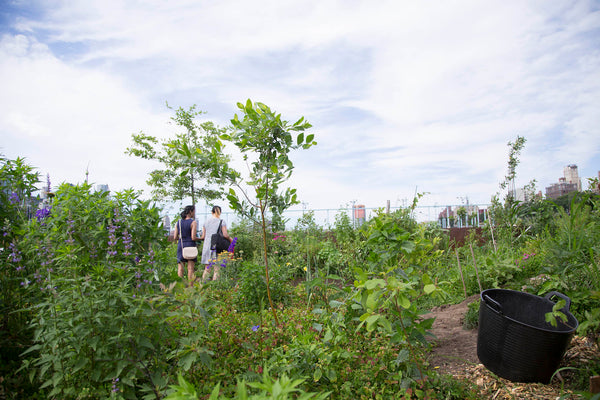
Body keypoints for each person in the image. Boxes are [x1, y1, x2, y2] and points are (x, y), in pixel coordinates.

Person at [199, 205, 232, 282]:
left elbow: (203, 236)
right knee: (217, 268)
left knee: (207, 268)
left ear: (212, 212)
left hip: (207, 246)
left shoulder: (205, 222)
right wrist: (231, 239)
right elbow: (225, 235)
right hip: (217, 246)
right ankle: (214, 288)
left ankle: (202, 286)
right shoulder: (222, 221)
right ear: (220, 212)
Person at [172, 205, 200, 286]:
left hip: (182, 245)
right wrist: (201, 238)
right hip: (190, 245)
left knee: (180, 268)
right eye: (194, 211)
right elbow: (193, 237)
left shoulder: (179, 222)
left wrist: (182, 238)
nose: (194, 213)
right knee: (190, 269)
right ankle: (190, 286)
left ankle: (179, 287)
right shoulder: (193, 222)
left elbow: (175, 237)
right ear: (190, 212)